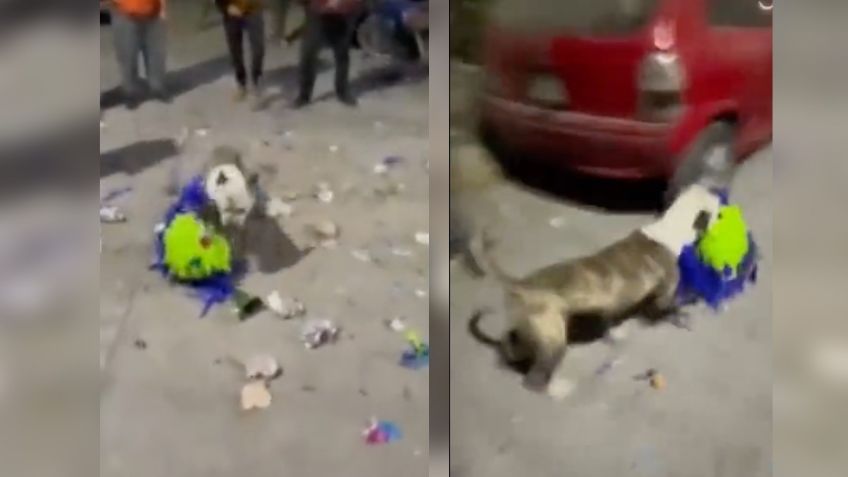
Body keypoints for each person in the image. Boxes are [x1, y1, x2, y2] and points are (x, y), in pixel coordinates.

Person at [294, 0, 363, 108]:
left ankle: (342, 91)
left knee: (342, 54)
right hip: (317, 13)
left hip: (343, 15)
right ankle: (304, 95)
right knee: (308, 54)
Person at [110, 0, 170, 108]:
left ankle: (157, 87)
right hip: (125, 13)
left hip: (154, 12)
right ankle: (130, 92)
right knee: (127, 55)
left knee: (156, 53)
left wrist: (163, 7)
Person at [215, 0, 267, 108]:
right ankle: (241, 83)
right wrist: (225, 7)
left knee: (259, 49)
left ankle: (255, 84)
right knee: (235, 51)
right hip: (231, 10)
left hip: (253, 9)